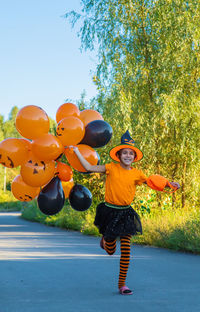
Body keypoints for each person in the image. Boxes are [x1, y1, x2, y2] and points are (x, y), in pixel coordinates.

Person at [69, 130, 180, 295]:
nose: (127, 155)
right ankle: (106, 240)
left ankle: (122, 285)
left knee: (126, 251)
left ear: (134, 157)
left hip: (126, 214)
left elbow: (153, 183)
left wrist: (169, 184)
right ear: (119, 155)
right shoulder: (110, 168)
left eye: (130, 153)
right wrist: (76, 150)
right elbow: (88, 167)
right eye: (124, 153)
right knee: (111, 251)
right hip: (109, 212)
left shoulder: (137, 174)